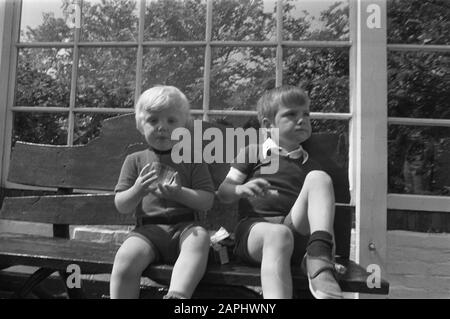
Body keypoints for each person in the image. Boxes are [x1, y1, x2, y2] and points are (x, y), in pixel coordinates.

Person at [217, 85, 342, 299]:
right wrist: (240, 188)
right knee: (278, 234)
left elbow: (323, 220)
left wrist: (329, 255)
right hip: (255, 232)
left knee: (320, 179)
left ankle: (319, 259)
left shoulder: (312, 166)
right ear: (268, 125)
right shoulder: (253, 153)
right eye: (291, 115)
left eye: (306, 114)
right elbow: (223, 192)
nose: (302, 119)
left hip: (295, 231)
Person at [110, 85, 215, 299]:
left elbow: (206, 201)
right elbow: (122, 204)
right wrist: (138, 190)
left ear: (183, 126)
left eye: (171, 121)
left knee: (200, 240)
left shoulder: (193, 158)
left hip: (186, 229)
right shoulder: (135, 160)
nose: (162, 127)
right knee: (125, 260)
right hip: (147, 231)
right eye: (153, 120)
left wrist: (179, 193)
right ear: (141, 125)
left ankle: (177, 296)